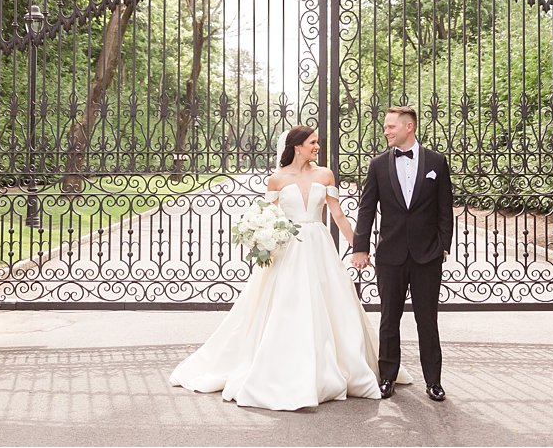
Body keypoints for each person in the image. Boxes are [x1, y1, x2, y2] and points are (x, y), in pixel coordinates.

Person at [169, 125, 402, 410]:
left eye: (317, 142)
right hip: (289, 248)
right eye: (313, 142)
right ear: (297, 146)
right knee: (288, 304)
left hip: (319, 247)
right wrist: (261, 236)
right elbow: (269, 217)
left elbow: (338, 214)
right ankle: (286, 367)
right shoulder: (276, 180)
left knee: (330, 303)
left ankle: (338, 366)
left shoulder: (324, 174)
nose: (317, 147)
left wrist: (358, 245)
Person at [349, 105, 454, 402]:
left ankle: (433, 381)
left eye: (391, 126)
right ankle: (387, 378)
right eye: (385, 126)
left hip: (427, 255)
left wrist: (443, 246)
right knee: (389, 318)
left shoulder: (436, 161)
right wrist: (360, 247)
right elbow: (366, 208)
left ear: (409, 127)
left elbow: (445, 208)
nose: (386, 130)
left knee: (427, 320)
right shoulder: (378, 164)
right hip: (390, 255)